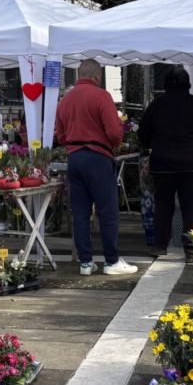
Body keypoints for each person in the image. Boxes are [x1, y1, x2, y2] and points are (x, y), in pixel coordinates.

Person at [55, 60, 137, 276]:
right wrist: (114, 142)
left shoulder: (65, 100)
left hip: (74, 158)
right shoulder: (102, 96)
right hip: (98, 157)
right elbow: (114, 133)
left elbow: (60, 135)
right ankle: (111, 261)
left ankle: (85, 262)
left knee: (80, 213)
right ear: (97, 76)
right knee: (107, 211)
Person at [138, 67, 193, 261]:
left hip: (163, 163)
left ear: (165, 85)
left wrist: (152, 146)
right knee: (191, 207)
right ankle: (191, 249)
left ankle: (160, 245)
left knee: (163, 204)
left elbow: (143, 133)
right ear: (188, 84)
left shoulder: (156, 106)